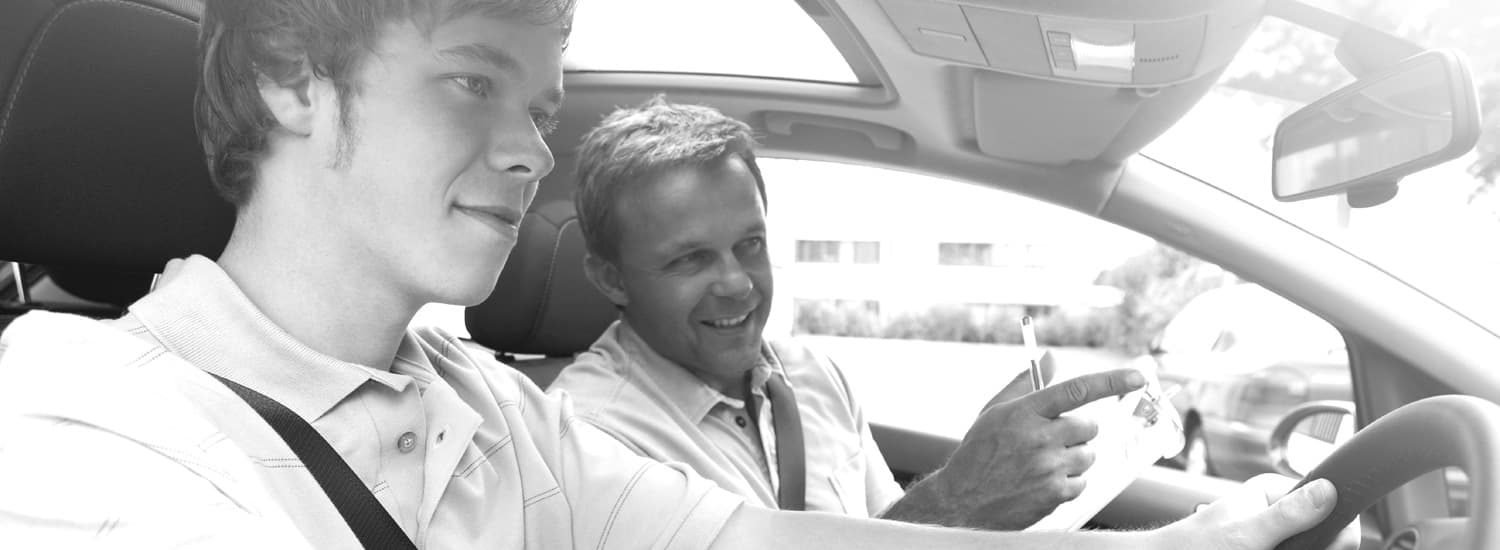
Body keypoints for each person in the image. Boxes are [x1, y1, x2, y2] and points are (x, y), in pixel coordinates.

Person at [0, 0, 1337, 548]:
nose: (530, 152)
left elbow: (764, 541)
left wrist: (1192, 537)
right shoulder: (77, 428)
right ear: (296, 82)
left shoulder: (491, 416)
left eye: (543, 104)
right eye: (474, 82)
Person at [551, 97, 1161, 529]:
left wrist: (993, 481)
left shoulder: (816, 376)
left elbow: (890, 529)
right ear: (611, 277)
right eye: (690, 260)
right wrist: (960, 498)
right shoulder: (585, 438)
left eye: (750, 245)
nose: (737, 284)